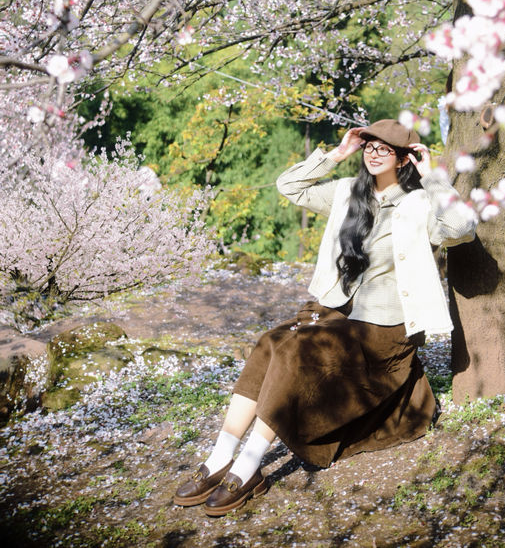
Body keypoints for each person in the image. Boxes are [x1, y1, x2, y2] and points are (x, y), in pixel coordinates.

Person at [173, 118, 477, 517]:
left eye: (384, 148)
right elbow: (289, 187)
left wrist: (433, 177)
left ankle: (248, 467)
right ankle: (220, 457)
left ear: (404, 157)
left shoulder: (419, 203)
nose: (372, 152)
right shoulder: (348, 192)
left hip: (384, 325)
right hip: (336, 309)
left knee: (298, 353)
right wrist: (337, 153)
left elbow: (463, 227)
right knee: (269, 344)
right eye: (368, 144)